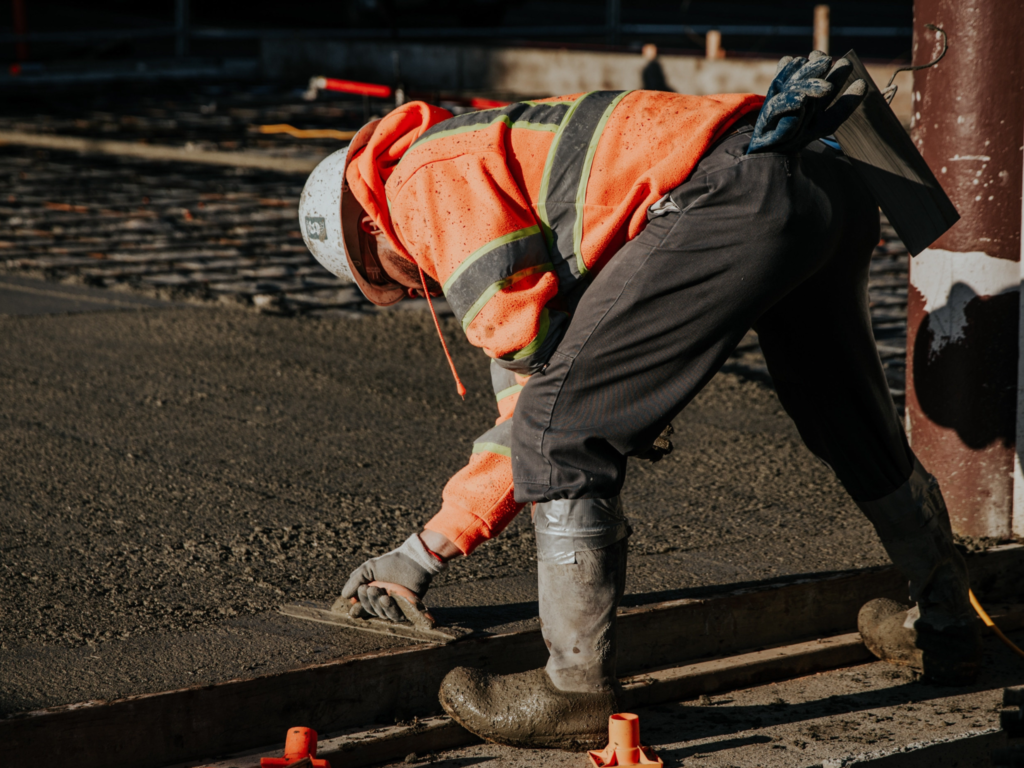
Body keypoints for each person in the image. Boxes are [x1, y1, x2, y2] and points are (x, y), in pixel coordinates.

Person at [297, 52, 981, 751]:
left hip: (735, 190)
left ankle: (573, 690)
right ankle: (947, 619)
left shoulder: (423, 187)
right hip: (820, 177)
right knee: (847, 418)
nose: (416, 291)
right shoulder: (488, 154)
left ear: (370, 230)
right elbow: (543, 372)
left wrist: (421, 553)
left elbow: (539, 409)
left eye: (388, 279)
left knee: (562, 434)